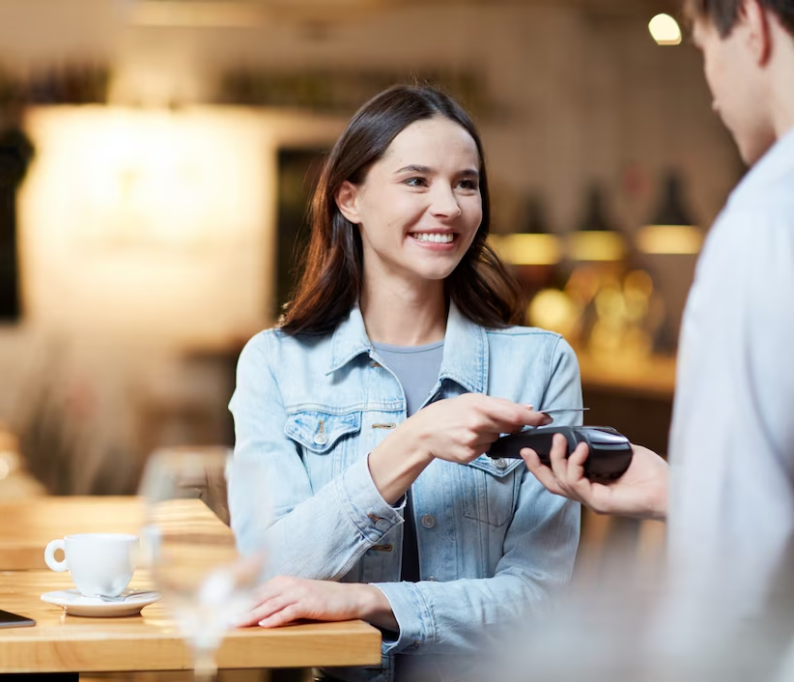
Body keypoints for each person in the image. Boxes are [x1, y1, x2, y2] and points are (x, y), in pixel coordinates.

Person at [227, 85, 583, 682]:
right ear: (350, 198)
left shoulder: (540, 365)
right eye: (417, 181)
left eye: (465, 183)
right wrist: (411, 443)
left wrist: (374, 603)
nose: (448, 205)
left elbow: (539, 601)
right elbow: (265, 574)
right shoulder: (275, 363)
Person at [521, 0, 794, 636]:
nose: (712, 91)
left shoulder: (764, 225)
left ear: (750, 26)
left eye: (703, 51)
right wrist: (680, 494)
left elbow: (732, 568)